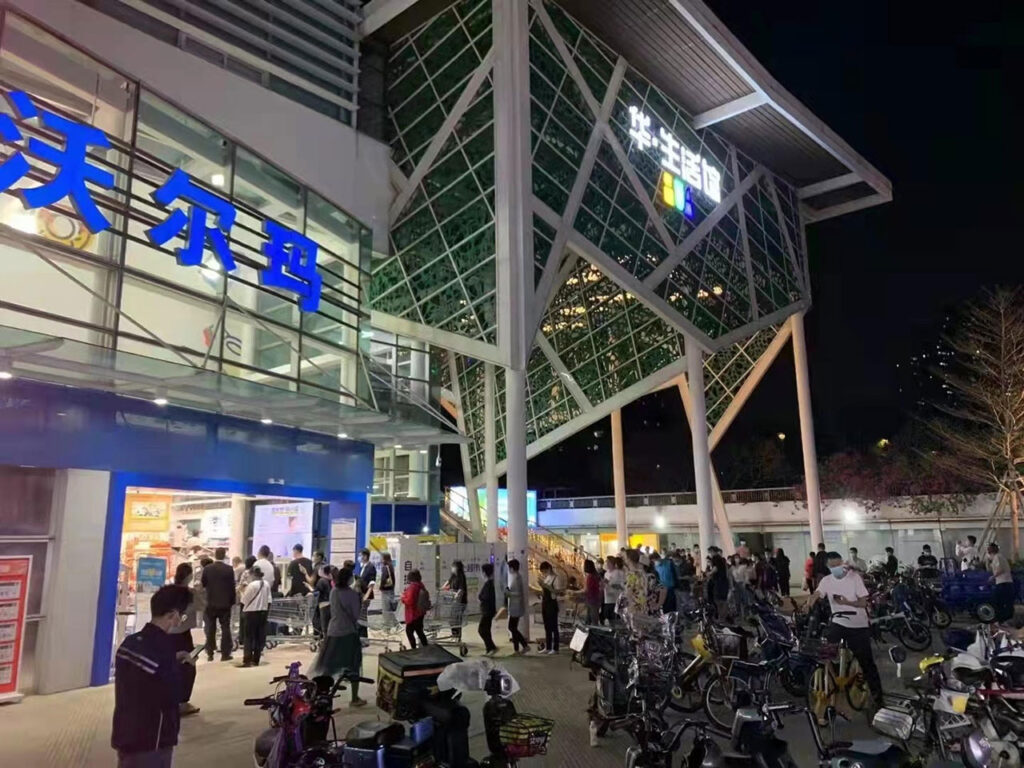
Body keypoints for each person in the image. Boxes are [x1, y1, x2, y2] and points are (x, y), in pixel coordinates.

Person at [112, 585, 194, 768]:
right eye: (182, 616)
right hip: (152, 741)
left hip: (124, 733)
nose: (180, 621)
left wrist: (173, 658)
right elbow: (173, 694)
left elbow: (143, 675)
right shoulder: (163, 650)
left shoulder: (130, 643)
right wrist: (183, 669)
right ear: (172, 615)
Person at [810, 552, 883, 707]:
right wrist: (809, 602)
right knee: (825, 652)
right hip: (838, 621)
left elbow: (863, 603)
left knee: (867, 662)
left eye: (839, 564)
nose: (837, 568)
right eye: (833, 566)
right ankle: (833, 678)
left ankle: (878, 698)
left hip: (858, 624)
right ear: (828, 567)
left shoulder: (854, 578)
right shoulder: (826, 580)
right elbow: (817, 593)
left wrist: (847, 603)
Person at [311, 567, 367, 706]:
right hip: (348, 632)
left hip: (333, 631)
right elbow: (355, 615)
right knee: (354, 665)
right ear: (349, 579)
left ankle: (321, 693)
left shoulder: (334, 591)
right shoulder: (352, 595)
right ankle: (354, 698)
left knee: (328, 665)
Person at [169, 563, 200, 717]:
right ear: (189, 576)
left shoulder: (169, 591)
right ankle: (182, 702)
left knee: (171, 665)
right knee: (188, 666)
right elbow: (201, 606)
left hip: (168, 632)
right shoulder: (190, 593)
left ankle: (171, 700)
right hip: (182, 634)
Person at [200, 546, 236, 662]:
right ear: (224, 555)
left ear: (215, 555)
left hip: (211, 603)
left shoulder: (207, 569)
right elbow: (232, 587)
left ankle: (210, 652)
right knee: (225, 627)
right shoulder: (229, 569)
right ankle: (225, 653)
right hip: (225, 604)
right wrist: (232, 601)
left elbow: (203, 584)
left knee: (211, 627)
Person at [620, 548, 666, 620]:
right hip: (645, 608)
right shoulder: (644, 575)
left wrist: (657, 605)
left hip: (641, 609)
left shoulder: (645, 576)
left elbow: (663, 589)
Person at [240, 565, 270, 667]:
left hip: (251, 612)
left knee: (248, 637)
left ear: (253, 574)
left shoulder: (252, 585)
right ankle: (256, 659)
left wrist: (241, 590)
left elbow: (244, 600)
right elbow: (269, 599)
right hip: (263, 612)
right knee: (258, 636)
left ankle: (247, 659)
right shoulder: (266, 584)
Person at [400, 570, 430, 649]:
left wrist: (403, 598)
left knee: (409, 631)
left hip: (413, 614)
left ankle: (414, 649)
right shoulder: (420, 585)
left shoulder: (413, 587)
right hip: (420, 612)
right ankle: (426, 647)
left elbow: (410, 601)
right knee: (419, 631)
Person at [987, 542, 1015, 623]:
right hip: (1006, 583)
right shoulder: (1000, 557)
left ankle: (1001, 620)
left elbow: (1000, 569)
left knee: (998, 602)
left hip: (1003, 583)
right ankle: (1006, 620)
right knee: (1006, 602)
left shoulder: (997, 557)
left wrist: (993, 577)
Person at [537, 561, 560, 654]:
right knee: (547, 626)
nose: (544, 573)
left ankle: (556, 648)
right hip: (545, 603)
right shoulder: (547, 578)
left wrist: (545, 585)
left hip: (552, 604)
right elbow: (544, 591)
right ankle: (548, 646)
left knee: (554, 626)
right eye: (542, 572)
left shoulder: (555, 578)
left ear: (549, 569)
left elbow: (557, 591)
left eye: (544, 571)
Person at [506, 558, 529, 654]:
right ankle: (517, 648)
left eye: (509, 568)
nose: (508, 570)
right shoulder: (516, 577)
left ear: (512, 568)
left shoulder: (517, 578)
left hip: (516, 607)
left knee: (512, 627)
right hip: (515, 606)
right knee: (513, 627)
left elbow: (518, 593)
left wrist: (509, 593)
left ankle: (523, 646)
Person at [442, 560, 468, 641]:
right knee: (452, 620)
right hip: (453, 601)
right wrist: (443, 588)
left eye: (453, 566)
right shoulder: (453, 576)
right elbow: (447, 582)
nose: (452, 568)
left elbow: (461, 589)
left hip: (460, 602)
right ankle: (454, 635)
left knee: (457, 620)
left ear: (457, 568)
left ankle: (458, 637)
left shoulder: (461, 577)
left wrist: (457, 594)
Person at [478, 562, 498, 655]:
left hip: (487, 611)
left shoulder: (488, 584)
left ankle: (490, 647)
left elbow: (485, 597)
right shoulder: (489, 583)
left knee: (481, 630)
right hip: (488, 610)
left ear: (484, 573)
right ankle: (490, 648)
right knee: (486, 629)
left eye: (482, 572)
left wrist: (480, 597)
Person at [708, 547, 729, 619]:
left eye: (710, 552)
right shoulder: (721, 559)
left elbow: (715, 568)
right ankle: (724, 616)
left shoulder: (715, 558)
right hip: (723, 581)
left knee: (719, 600)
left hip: (719, 582)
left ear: (713, 551)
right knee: (723, 600)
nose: (710, 554)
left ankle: (722, 616)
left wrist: (709, 573)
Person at [602, 556, 625, 624]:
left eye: (608, 562)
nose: (607, 564)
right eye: (606, 562)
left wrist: (610, 583)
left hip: (616, 599)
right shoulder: (606, 573)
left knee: (615, 618)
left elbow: (622, 585)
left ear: (612, 563)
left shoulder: (619, 573)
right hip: (607, 599)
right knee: (608, 617)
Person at [582, 559, 602, 624]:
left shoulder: (590, 577)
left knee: (593, 619)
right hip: (595, 598)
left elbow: (586, 589)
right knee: (590, 617)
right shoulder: (596, 575)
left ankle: (593, 629)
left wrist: (575, 592)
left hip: (592, 599)